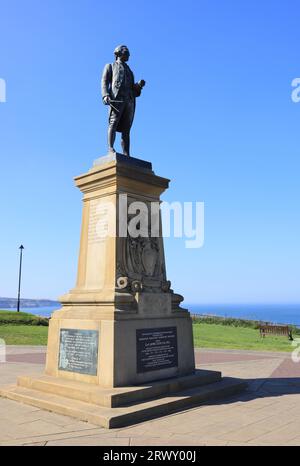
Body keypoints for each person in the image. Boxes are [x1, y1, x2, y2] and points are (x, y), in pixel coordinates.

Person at [101, 45, 145, 156]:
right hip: (117, 100)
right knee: (113, 123)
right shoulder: (110, 66)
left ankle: (126, 153)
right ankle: (110, 148)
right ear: (118, 53)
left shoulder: (130, 71)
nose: (129, 54)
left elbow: (133, 89)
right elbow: (104, 81)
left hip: (129, 101)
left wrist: (138, 86)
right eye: (126, 52)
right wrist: (105, 95)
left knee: (126, 129)